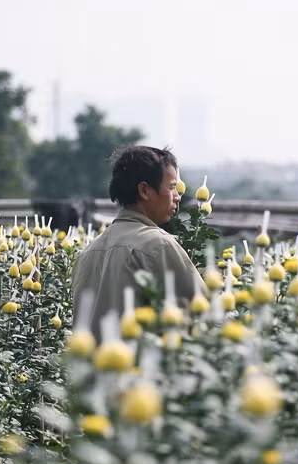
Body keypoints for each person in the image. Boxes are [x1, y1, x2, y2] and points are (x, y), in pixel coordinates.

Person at [70, 145, 206, 340]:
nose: (177, 197)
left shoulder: (87, 253)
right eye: (171, 187)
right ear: (144, 190)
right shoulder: (158, 245)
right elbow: (203, 313)